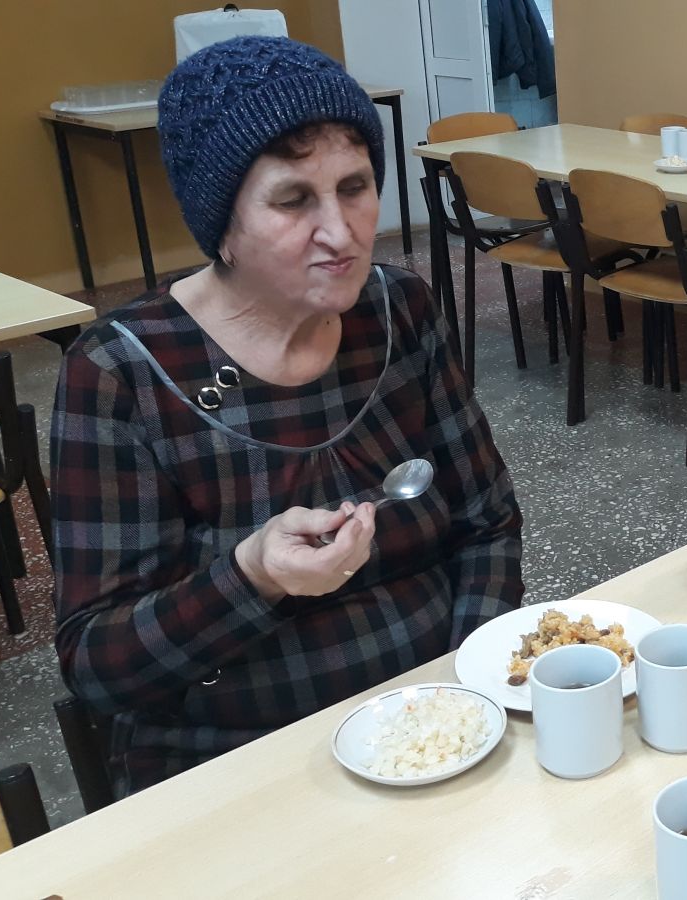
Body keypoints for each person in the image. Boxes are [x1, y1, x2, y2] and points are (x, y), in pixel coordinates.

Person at [51, 37, 524, 795]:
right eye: (293, 200)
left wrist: (465, 687)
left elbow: (487, 523)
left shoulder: (398, 311)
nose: (342, 232)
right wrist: (254, 575)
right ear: (221, 225)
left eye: (355, 186)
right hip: (240, 760)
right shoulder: (121, 371)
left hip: (435, 725)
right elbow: (98, 666)